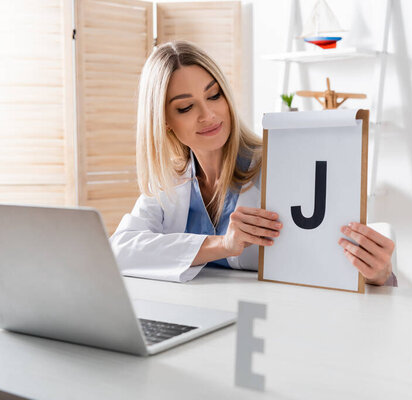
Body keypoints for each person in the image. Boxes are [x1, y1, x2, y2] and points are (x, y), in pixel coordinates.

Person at [110, 41, 396, 286]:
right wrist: (222, 245)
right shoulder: (170, 182)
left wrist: (379, 274)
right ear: (164, 122)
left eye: (214, 95)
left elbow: (332, 261)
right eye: (185, 107)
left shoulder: (281, 165)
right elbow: (121, 249)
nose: (208, 114)